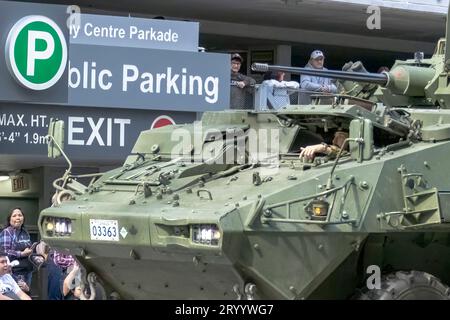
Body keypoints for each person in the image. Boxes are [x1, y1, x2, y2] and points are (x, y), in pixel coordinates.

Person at [0, 208, 34, 287]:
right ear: (9, 219)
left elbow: (29, 250)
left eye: (20, 215)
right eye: (14, 216)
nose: (17, 218)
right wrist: (21, 254)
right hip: (15, 273)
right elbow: (5, 252)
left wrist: (36, 257)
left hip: (28, 271)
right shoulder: (7, 232)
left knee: (25, 294)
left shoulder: (25, 232)